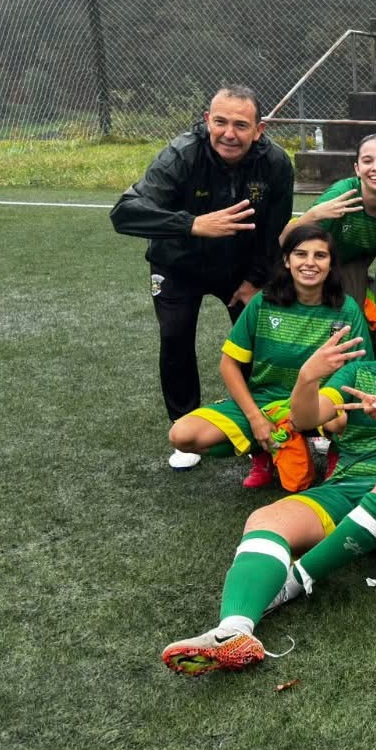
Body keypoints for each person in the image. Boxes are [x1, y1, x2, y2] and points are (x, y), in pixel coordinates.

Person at [160, 291, 376, 676]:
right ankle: (234, 631)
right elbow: (307, 418)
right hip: (348, 486)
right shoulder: (359, 373)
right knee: (266, 519)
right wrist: (308, 376)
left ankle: (293, 581)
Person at [110, 85, 294, 469]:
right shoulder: (182, 154)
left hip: (240, 269)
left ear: (259, 129)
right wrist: (192, 225)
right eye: (220, 122)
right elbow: (124, 213)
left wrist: (255, 280)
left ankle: (262, 422)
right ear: (208, 120)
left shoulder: (276, 163)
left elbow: (274, 231)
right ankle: (185, 425)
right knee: (175, 337)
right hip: (177, 265)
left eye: (240, 125)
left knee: (258, 343)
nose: (229, 133)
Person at [167, 223, 372, 487]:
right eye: (301, 254)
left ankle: (337, 452)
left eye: (320, 255)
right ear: (287, 260)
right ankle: (263, 450)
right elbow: (229, 364)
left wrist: (330, 404)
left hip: (317, 401)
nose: (310, 263)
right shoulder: (263, 302)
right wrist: (255, 419)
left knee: (342, 420)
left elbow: (360, 371)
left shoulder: (347, 309)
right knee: (183, 435)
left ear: (331, 264)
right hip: (265, 401)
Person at [284, 133, 376, 307]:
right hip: (316, 262)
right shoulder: (341, 195)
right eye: (367, 161)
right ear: (357, 169)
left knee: (351, 310)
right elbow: (285, 240)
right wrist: (312, 215)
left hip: (354, 265)